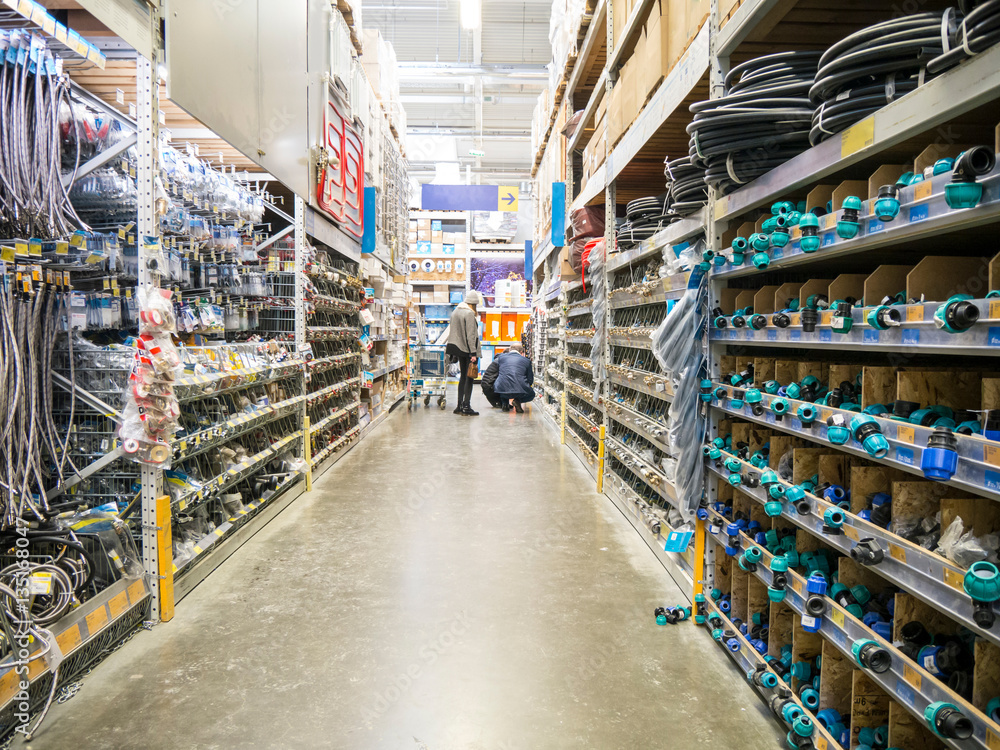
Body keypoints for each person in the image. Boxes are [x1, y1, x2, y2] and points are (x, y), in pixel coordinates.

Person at [446, 290, 483, 416]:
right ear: (474, 304)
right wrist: (473, 353)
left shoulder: (456, 311)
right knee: (469, 377)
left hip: (457, 348)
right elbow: (471, 335)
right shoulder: (469, 313)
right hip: (467, 349)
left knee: (462, 377)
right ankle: (466, 406)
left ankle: (459, 406)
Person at [493, 342, 535, 413]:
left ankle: (505, 403)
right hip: (519, 389)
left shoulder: (501, 358)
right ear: (521, 352)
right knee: (531, 394)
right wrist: (526, 386)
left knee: (503, 386)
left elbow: (499, 373)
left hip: (501, 388)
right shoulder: (526, 361)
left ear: (510, 350)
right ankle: (517, 401)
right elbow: (530, 379)